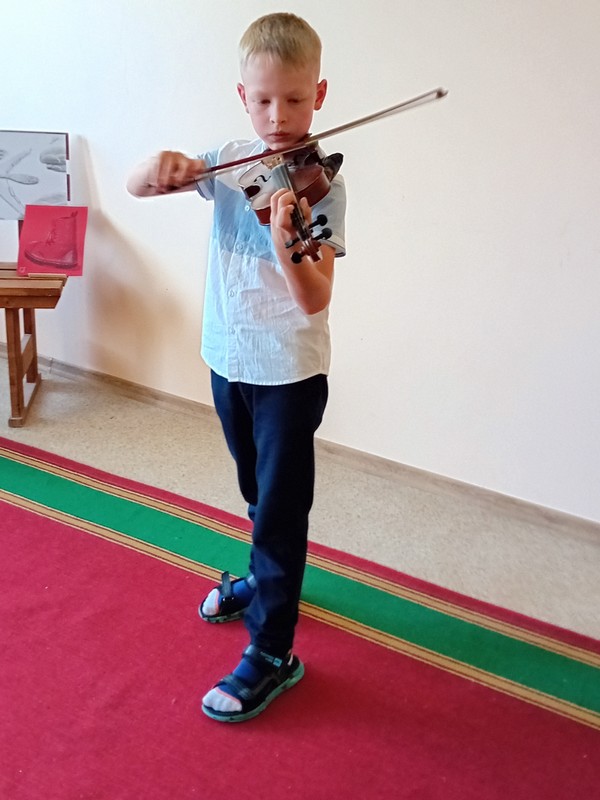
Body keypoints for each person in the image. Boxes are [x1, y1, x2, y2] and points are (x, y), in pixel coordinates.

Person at [127, 12, 346, 722]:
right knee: (255, 490)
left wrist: (285, 240)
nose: (278, 117)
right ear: (242, 97)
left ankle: (274, 651)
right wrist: (159, 166)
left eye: (294, 99)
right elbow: (137, 186)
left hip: (288, 372)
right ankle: (265, 576)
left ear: (319, 95)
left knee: (280, 508)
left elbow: (313, 299)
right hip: (227, 357)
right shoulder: (226, 160)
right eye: (263, 100)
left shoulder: (320, 185)